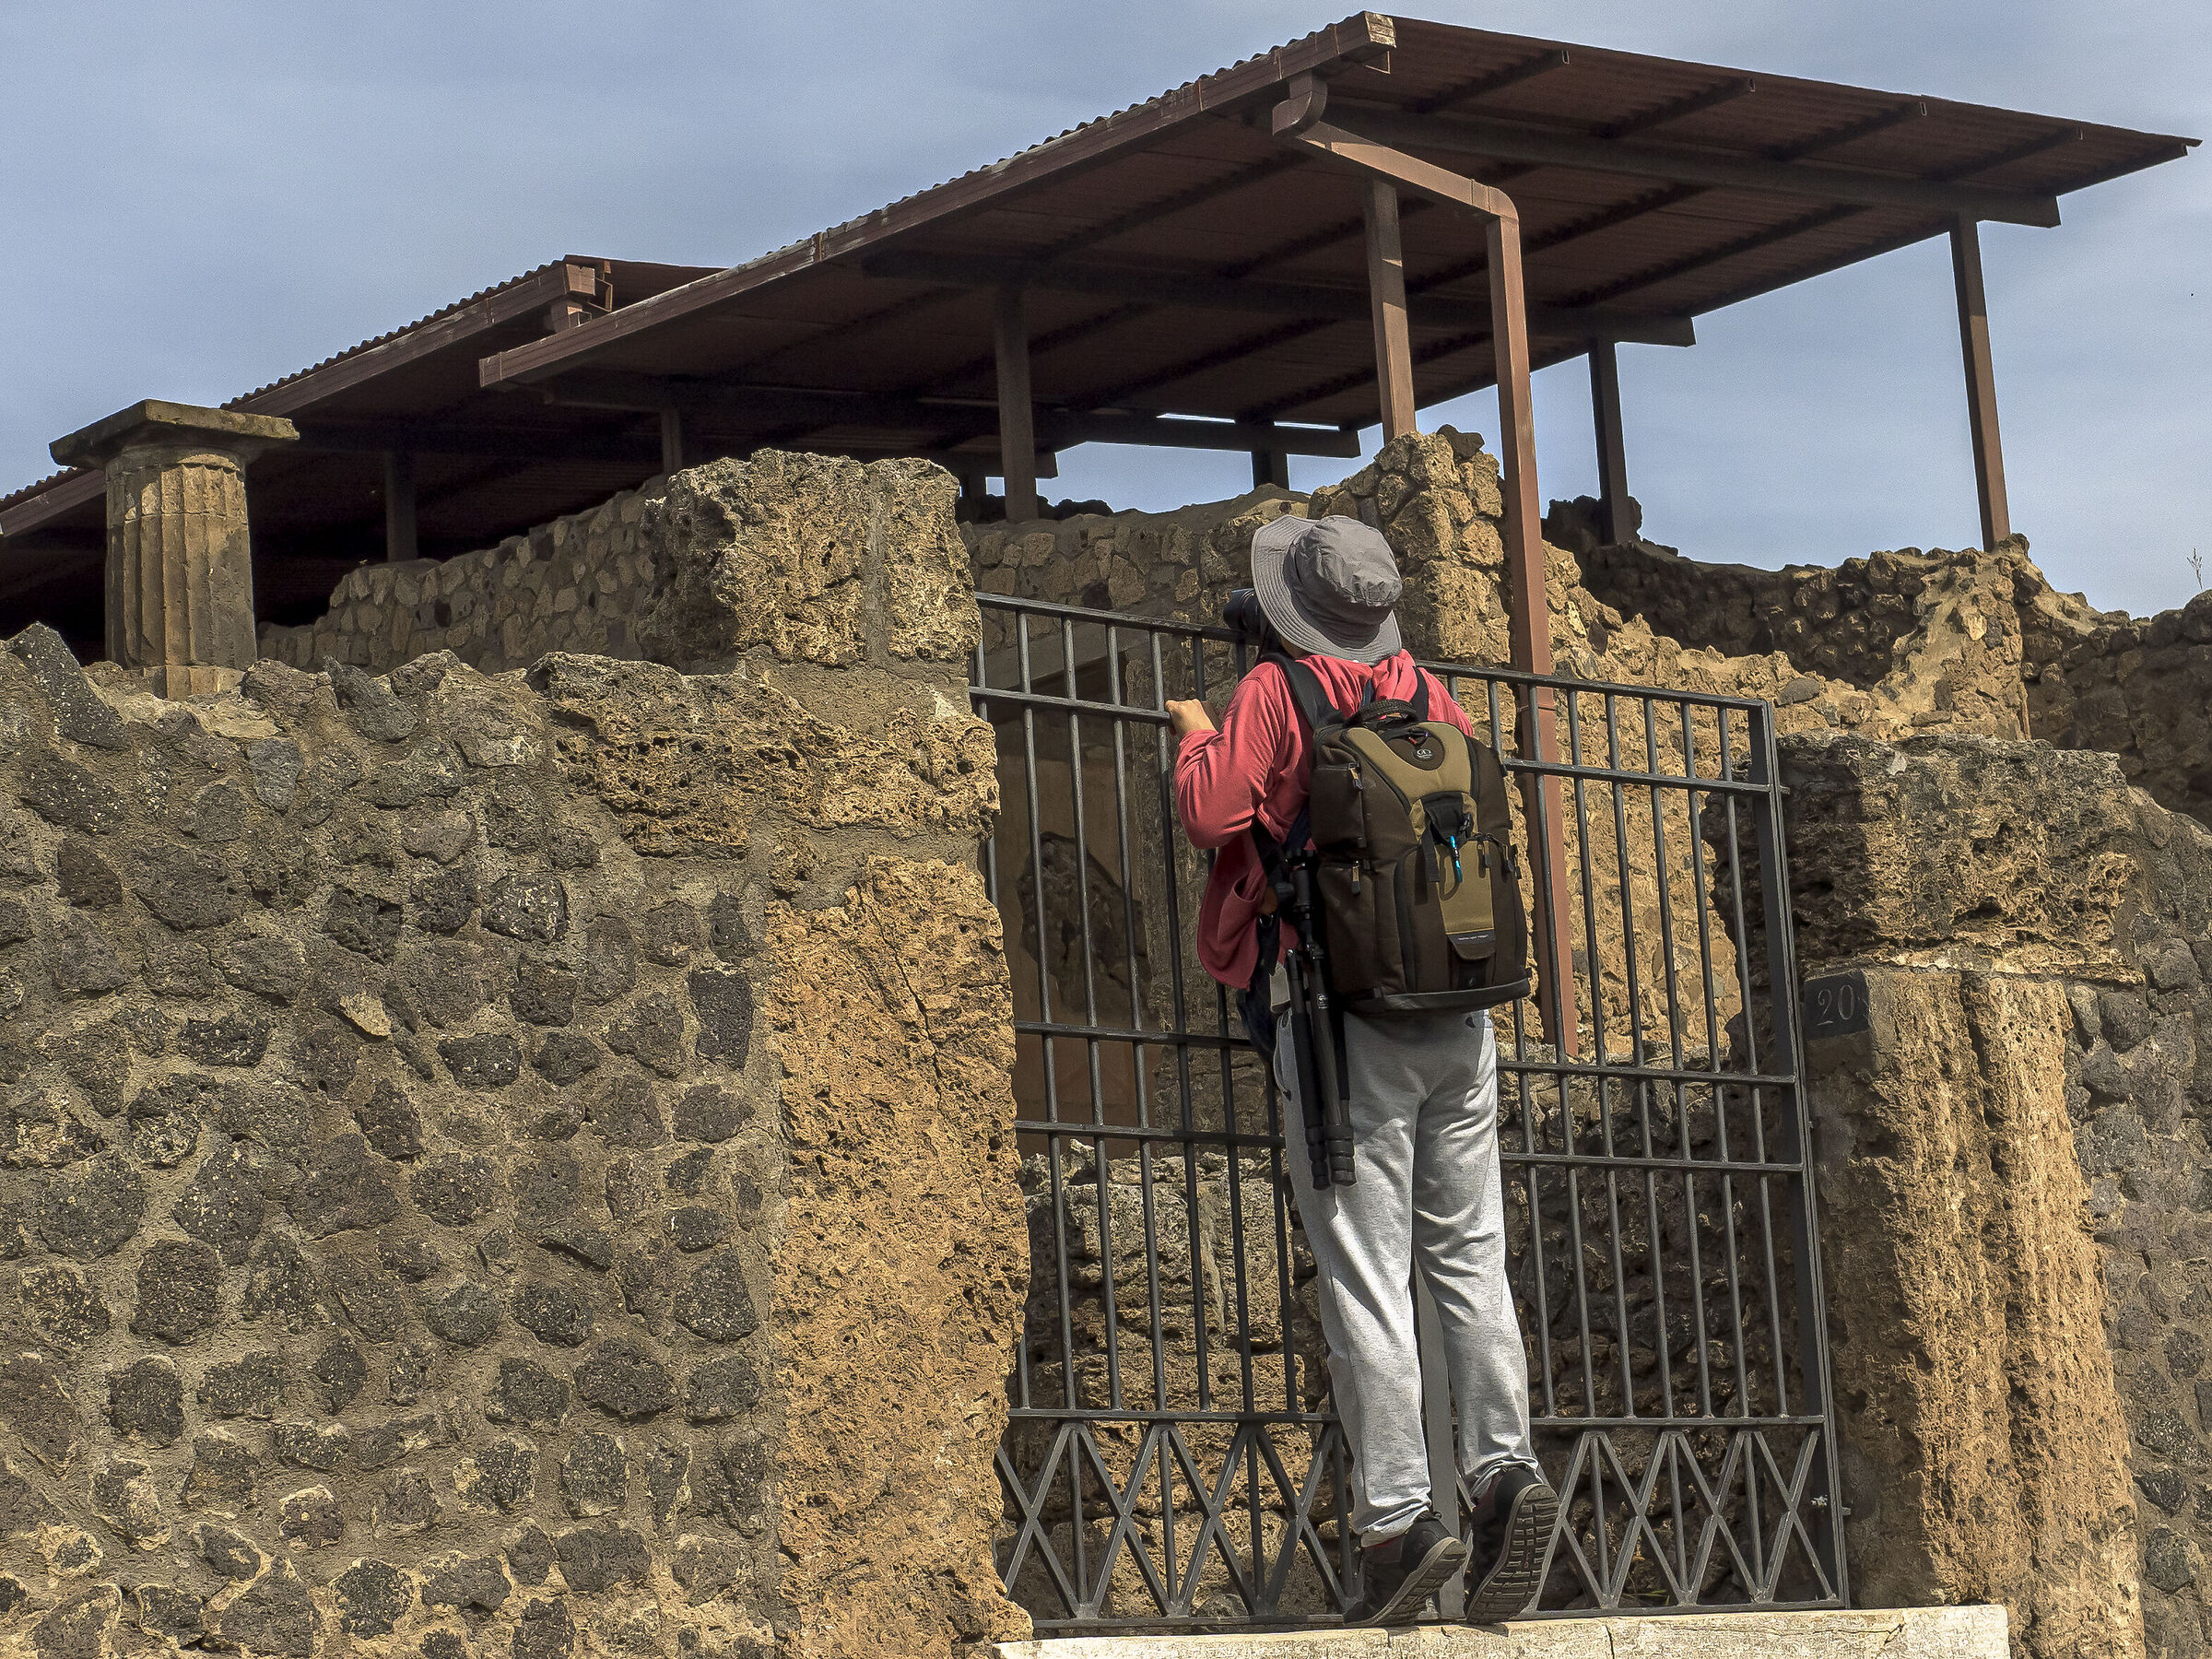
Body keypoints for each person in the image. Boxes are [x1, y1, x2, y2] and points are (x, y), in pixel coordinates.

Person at [1167, 513, 1557, 1628]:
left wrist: (1197, 729)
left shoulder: (1275, 696)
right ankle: (1499, 1476)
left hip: (1338, 1020)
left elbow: (1210, 814)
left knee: (1367, 1274)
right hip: (1459, 1012)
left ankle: (1395, 1524)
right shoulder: (1432, 695)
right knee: (1470, 1262)